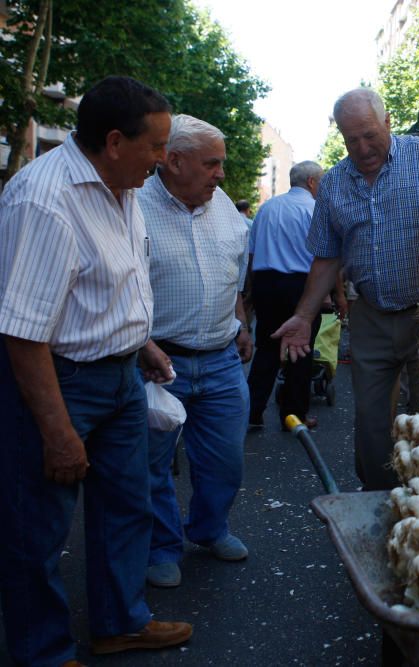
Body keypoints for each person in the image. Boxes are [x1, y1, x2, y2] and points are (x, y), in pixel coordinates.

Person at [0, 76, 192, 665]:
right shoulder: (43, 199)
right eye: (156, 147)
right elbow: (23, 334)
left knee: (126, 506)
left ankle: (119, 623)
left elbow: (104, 290)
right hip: (60, 383)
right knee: (38, 529)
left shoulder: (122, 185)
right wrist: (58, 432)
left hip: (120, 378)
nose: (162, 161)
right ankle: (44, 654)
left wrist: (141, 345)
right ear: (114, 141)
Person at [273, 87, 419, 491]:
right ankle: (379, 496)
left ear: (387, 122)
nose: (362, 147)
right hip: (371, 317)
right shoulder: (333, 185)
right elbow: (327, 258)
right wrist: (303, 315)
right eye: (351, 139)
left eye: (369, 135)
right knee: (371, 420)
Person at [138, 114, 252, 588]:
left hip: (222, 357)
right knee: (153, 464)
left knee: (225, 458)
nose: (221, 174)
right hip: (157, 361)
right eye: (212, 164)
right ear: (174, 160)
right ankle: (161, 547)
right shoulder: (134, 205)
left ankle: (209, 528)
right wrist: (142, 347)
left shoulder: (223, 204)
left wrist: (242, 322)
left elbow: (235, 271)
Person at [246, 160, 326, 431]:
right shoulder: (314, 209)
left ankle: (252, 412)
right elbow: (323, 256)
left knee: (266, 348)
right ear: (313, 182)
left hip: (266, 283)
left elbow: (252, 253)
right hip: (300, 286)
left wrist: (249, 292)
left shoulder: (267, 208)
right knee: (300, 349)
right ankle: (294, 415)